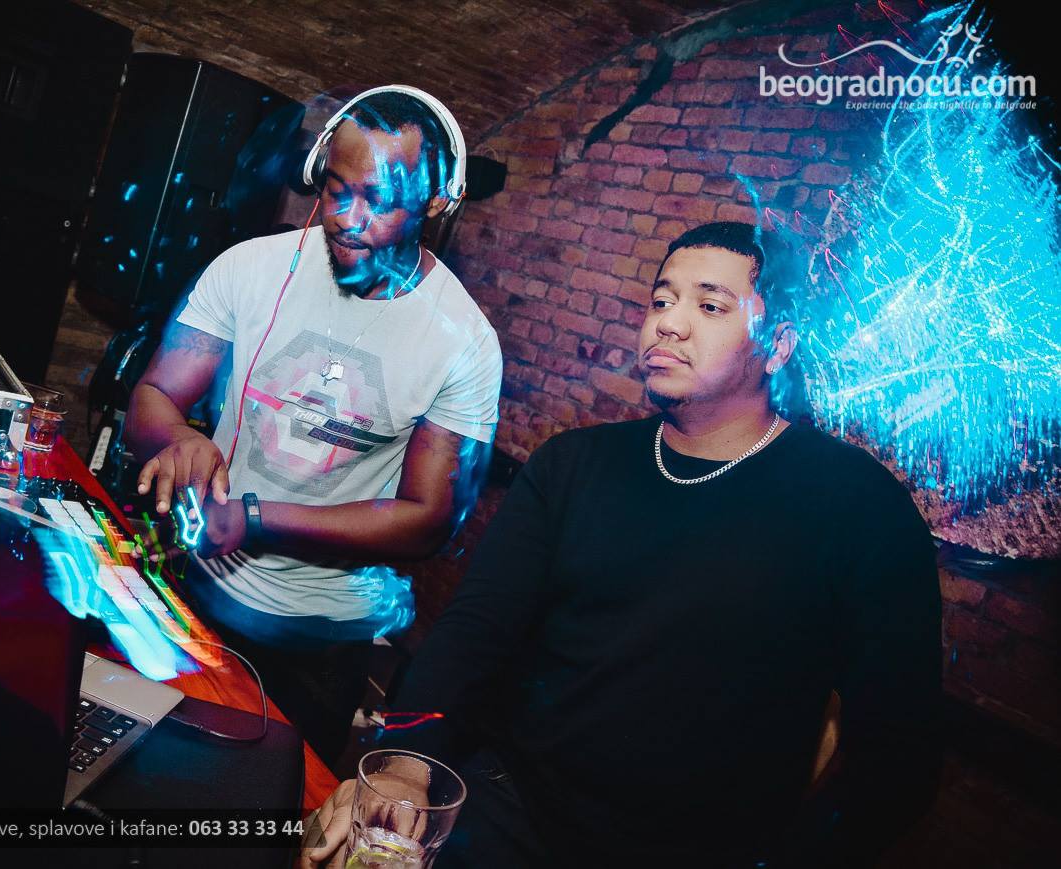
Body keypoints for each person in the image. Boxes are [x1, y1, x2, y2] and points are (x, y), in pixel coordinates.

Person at [302, 221, 942, 867]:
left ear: (778, 345)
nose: (669, 323)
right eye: (662, 300)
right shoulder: (573, 464)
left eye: (710, 306)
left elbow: (898, 755)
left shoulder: (856, 506)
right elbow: (475, 631)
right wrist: (408, 762)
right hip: (510, 808)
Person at [124, 87, 502, 768]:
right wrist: (179, 439)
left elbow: (427, 520)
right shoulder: (248, 268)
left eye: (380, 200)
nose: (348, 219)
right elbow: (152, 396)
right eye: (336, 191)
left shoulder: (464, 344)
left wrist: (256, 518)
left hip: (322, 644)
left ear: (437, 202)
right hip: (195, 596)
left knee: (271, 812)